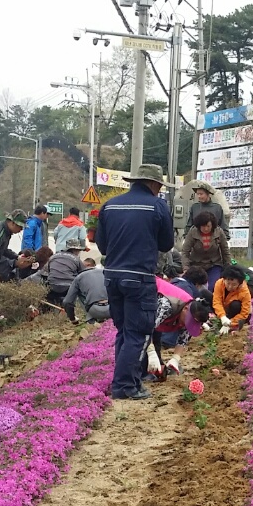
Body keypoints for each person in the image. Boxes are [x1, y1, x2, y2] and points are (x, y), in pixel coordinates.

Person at [95, 163, 175, 400]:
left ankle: (124, 381)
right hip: (139, 278)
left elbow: (102, 246)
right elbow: (166, 244)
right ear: (153, 184)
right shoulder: (157, 206)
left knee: (123, 331)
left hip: (112, 277)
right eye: (159, 186)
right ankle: (125, 386)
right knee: (138, 334)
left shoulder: (109, 206)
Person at [182, 211, 231, 289]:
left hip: (214, 264)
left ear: (212, 225)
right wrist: (186, 268)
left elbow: (225, 251)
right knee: (191, 286)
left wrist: (228, 268)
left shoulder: (219, 232)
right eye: (203, 226)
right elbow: (185, 251)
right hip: (196, 265)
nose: (206, 229)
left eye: (208, 226)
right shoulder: (192, 232)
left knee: (213, 287)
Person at [212, 264, 252, 335]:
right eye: (228, 283)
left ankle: (231, 325)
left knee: (236, 305)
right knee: (205, 295)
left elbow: (244, 313)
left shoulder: (244, 291)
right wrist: (222, 316)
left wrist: (230, 323)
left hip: (233, 313)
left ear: (240, 284)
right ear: (224, 279)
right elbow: (216, 302)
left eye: (234, 284)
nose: (230, 287)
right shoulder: (219, 283)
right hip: (222, 310)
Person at [45, 241, 84, 308]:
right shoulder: (77, 259)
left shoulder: (53, 257)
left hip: (52, 286)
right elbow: (83, 275)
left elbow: (46, 272)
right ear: (75, 250)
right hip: (68, 287)